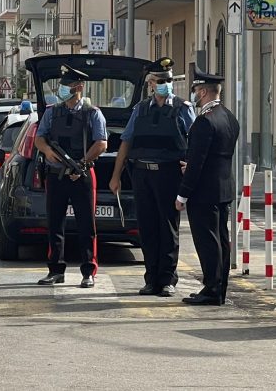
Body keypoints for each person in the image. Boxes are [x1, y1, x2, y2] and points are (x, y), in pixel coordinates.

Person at [110, 58, 195, 297]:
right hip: (142, 174)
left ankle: (167, 279)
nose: (165, 84)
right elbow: (126, 142)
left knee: (168, 228)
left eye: (168, 80)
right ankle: (151, 279)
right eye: (160, 80)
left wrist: (190, 168)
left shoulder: (183, 108)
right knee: (147, 228)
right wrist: (116, 176)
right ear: (150, 84)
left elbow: (195, 139)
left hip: (168, 174)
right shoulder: (140, 109)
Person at [34, 65, 108, 288]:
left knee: (86, 225)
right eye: (62, 85)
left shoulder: (93, 113)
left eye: (67, 85)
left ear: (79, 87)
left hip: (82, 175)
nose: (62, 89)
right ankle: (55, 270)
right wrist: (47, 151)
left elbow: (101, 143)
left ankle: (88, 272)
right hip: (56, 175)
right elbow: (39, 138)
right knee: (54, 224)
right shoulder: (52, 112)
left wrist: (81, 164)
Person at [175, 65, 239, 306]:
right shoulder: (229, 116)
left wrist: (182, 194)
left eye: (195, 91)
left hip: (204, 191)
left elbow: (198, 161)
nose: (194, 95)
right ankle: (219, 288)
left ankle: (212, 289)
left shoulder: (204, 121)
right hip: (223, 188)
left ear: (202, 92)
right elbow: (218, 155)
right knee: (221, 239)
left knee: (207, 241)